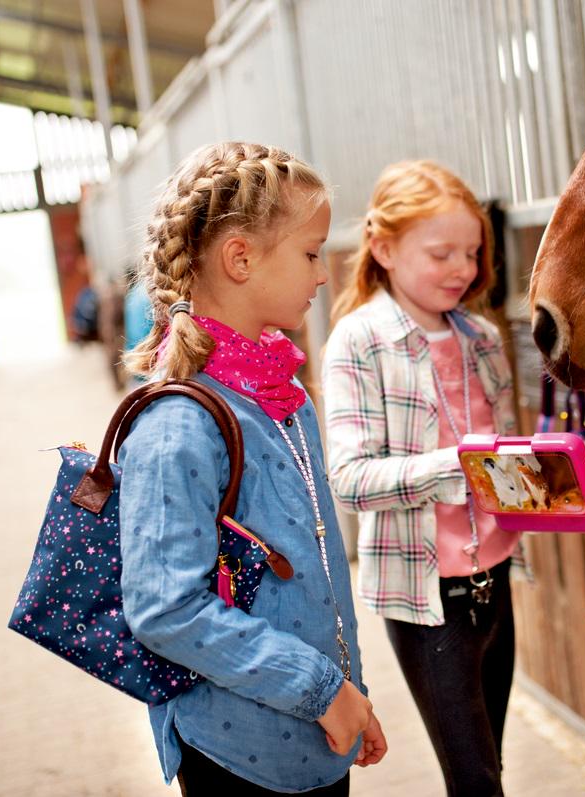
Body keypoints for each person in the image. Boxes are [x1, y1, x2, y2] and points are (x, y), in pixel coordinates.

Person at [119, 141, 386, 796]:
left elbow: (312, 565)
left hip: (312, 732)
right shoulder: (179, 423)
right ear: (240, 258)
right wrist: (322, 689)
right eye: (309, 253)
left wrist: (349, 694)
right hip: (239, 754)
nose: (323, 274)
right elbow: (164, 607)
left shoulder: (278, 393)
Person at [322, 160, 525, 797]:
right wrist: (456, 467)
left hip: (497, 579)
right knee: (474, 779)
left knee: (490, 761)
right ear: (382, 248)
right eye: (441, 253)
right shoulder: (357, 341)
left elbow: (508, 460)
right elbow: (350, 480)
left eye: (471, 251)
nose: (463, 268)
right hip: (424, 593)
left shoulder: (483, 337)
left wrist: (556, 485)